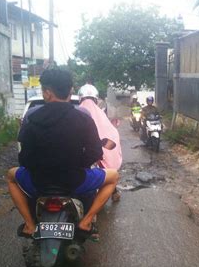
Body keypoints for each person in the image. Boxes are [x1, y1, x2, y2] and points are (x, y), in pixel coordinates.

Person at [7, 68, 119, 237]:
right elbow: (96, 152)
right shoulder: (83, 118)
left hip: (39, 183)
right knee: (113, 177)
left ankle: (29, 225)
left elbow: (24, 157)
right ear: (70, 91)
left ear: (47, 92)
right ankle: (86, 222)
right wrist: (78, 164)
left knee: (10, 176)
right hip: (75, 181)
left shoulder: (31, 119)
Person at [79, 84, 122, 202]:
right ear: (96, 99)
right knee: (109, 171)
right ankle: (113, 192)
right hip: (94, 153)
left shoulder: (75, 113)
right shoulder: (100, 114)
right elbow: (111, 132)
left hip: (79, 157)